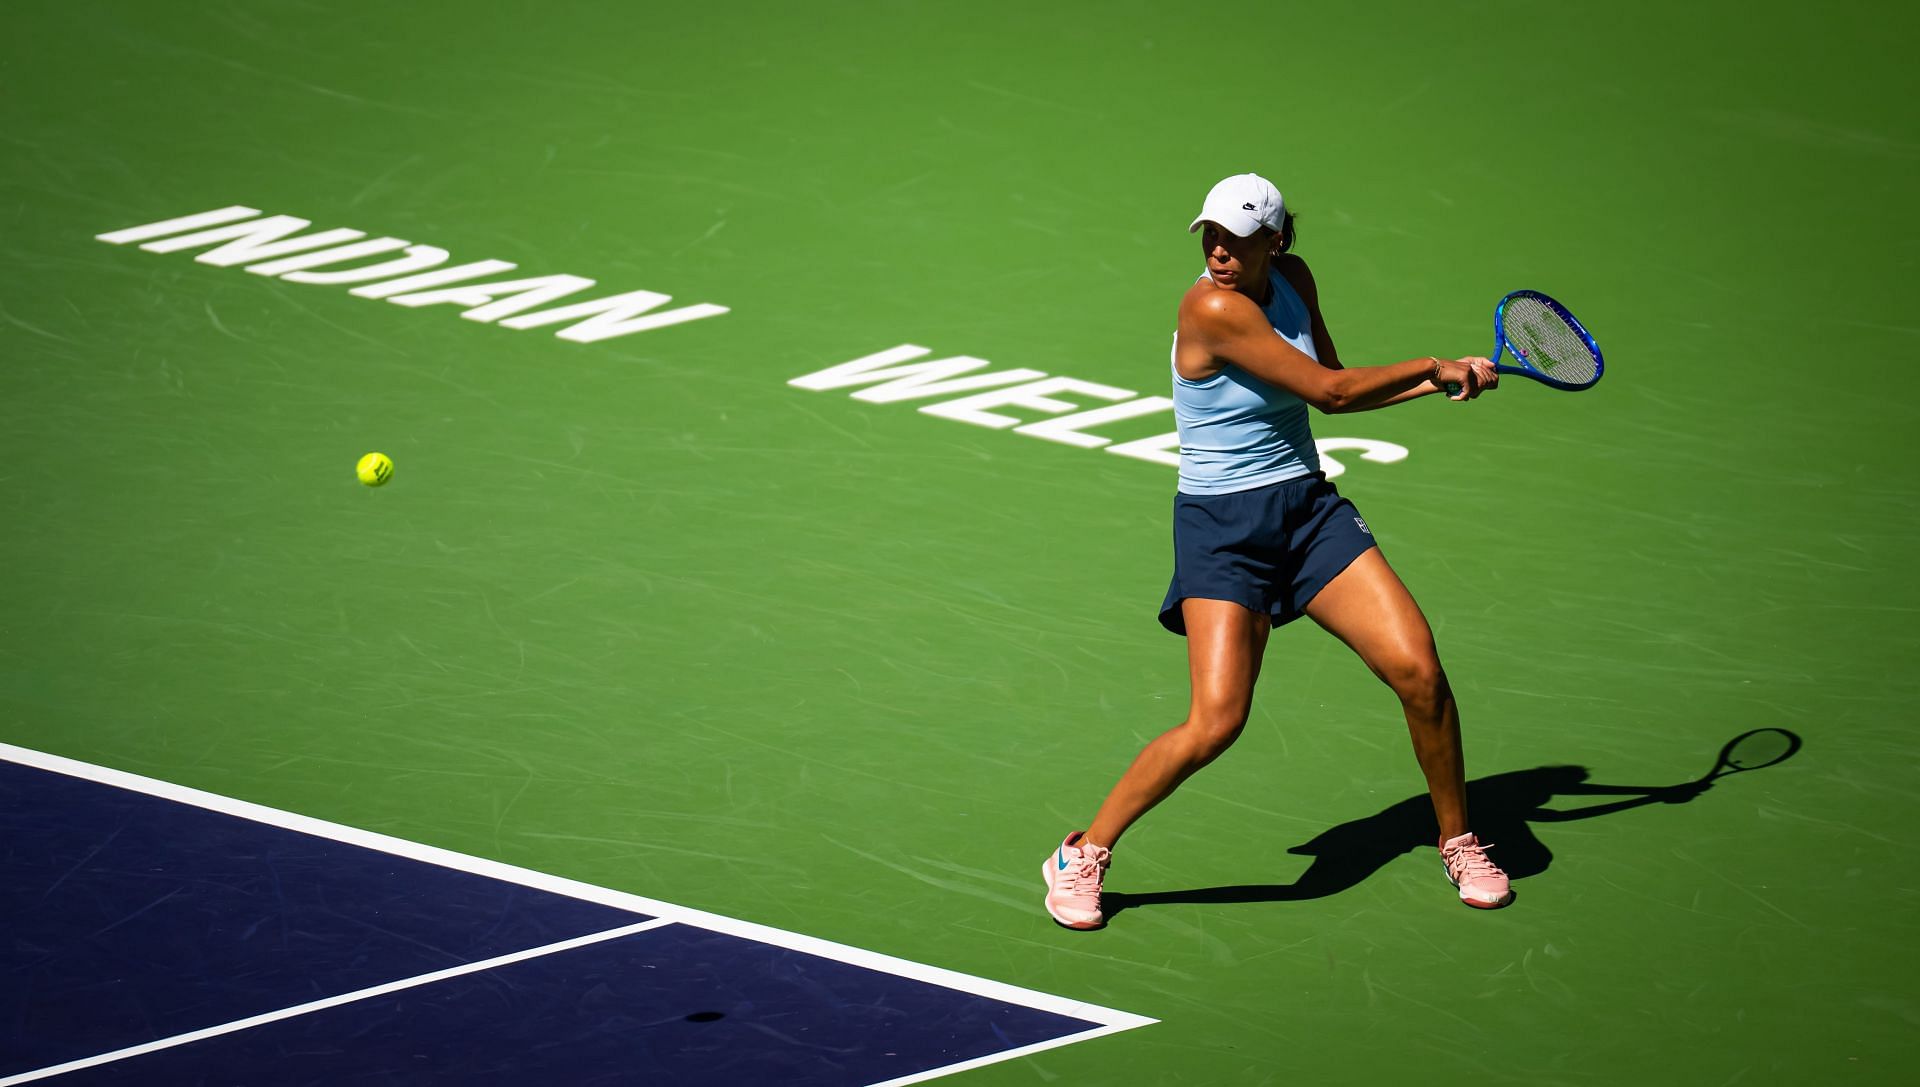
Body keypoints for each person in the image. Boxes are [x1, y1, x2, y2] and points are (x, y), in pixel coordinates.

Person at [1042, 173, 1509, 930]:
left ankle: (1459, 838)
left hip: (1308, 513)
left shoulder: (1294, 278)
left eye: (1237, 239)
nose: (1219, 251)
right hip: (1224, 530)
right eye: (1210, 237)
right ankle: (1084, 852)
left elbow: (1334, 386)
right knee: (1217, 720)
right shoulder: (1210, 306)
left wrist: (1443, 382)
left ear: (1277, 242)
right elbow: (1330, 392)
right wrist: (1432, 363)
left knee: (1420, 671)